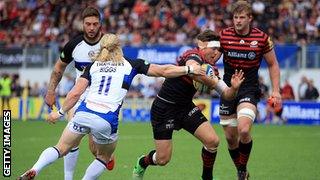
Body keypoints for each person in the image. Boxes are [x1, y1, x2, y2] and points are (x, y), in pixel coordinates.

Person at [18, 33, 204, 180]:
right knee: (104, 158)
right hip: (106, 119)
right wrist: (188, 69)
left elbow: (75, 93)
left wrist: (59, 113)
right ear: (119, 47)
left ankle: (36, 168)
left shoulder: (93, 66)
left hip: (83, 112)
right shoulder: (130, 64)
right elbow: (164, 70)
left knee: (60, 148)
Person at [132, 29, 245, 180]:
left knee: (212, 141)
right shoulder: (193, 55)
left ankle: (207, 177)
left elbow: (227, 95)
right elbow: (193, 70)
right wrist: (212, 81)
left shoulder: (212, 70)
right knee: (162, 159)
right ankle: (142, 162)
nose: (217, 53)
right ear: (203, 47)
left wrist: (234, 88)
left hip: (185, 107)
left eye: (220, 51)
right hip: (164, 108)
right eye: (214, 49)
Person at [216, 1, 282, 179]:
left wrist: (276, 90)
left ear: (250, 18)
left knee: (244, 130)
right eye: (235, 17)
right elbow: (212, 58)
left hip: (249, 89)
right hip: (228, 90)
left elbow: (273, 64)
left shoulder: (262, 38)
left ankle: (241, 170)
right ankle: (242, 170)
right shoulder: (224, 36)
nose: (237, 21)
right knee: (231, 138)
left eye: (242, 17)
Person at [44, 6, 111, 180]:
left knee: (95, 149)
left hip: (102, 99)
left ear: (100, 24)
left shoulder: (109, 44)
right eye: (88, 24)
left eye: (95, 24)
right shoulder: (74, 44)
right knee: (71, 138)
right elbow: (59, 68)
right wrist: (51, 91)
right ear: (82, 24)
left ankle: (105, 155)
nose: (91, 28)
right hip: (79, 96)